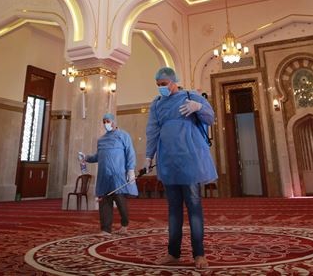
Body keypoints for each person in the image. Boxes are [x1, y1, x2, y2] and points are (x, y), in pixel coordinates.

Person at [144, 67, 217, 269]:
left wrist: (198, 107)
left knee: (194, 207)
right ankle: (173, 253)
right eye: (158, 85)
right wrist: (149, 156)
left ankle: (199, 254)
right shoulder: (157, 104)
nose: (161, 87)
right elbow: (152, 131)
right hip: (168, 161)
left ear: (174, 81)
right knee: (174, 210)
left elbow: (210, 118)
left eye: (164, 84)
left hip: (190, 161)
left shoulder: (190, 97)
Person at [80, 113, 137, 235]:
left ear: (114, 122)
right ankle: (105, 229)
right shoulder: (101, 140)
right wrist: (86, 158)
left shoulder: (123, 136)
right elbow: (98, 156)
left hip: (118, 175)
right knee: (104, 202)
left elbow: (130, 153)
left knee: (120, 201)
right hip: (104, 176)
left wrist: (131, 169)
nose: (106, 124)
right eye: (104, 121)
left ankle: (124, 224)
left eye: (108, 121)